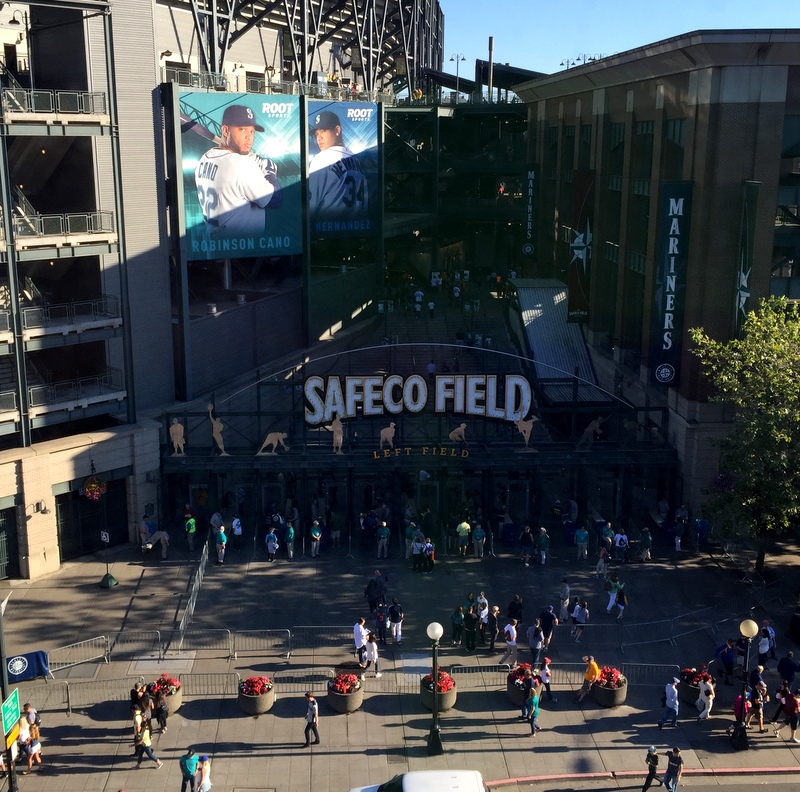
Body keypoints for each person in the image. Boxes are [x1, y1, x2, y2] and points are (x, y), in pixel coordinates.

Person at [194, 104, 281, 237]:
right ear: (225, 130)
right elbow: (275, 200)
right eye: (242, 129)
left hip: (215, 246)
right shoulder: (241, 164)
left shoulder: (204, 159)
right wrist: (269, 173)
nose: (249, 137)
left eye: (252, 131)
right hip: (242, 249)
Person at [308, 110, 370, 223]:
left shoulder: (322, 159)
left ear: (337, 130)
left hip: (328, 231)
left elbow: (310, 207)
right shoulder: (355, 159)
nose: (319, 138)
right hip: (358, 229)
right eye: (317, 133)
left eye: (323, 131)